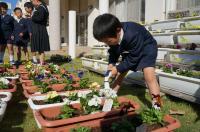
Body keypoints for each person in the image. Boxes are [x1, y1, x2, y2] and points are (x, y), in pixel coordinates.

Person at [93, 14, 161, 109]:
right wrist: (111, 64)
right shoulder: (113, 35)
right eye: (105, 42)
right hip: (131, 49)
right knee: (121, 72)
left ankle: (157, 106)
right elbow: (113, 51)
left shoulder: (133, 33)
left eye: (108, 41)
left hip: (147, 48)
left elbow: (134, 58)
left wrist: (117, 68)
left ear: (118, 31)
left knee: (149, 77)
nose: (107, 44)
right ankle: (111, 96)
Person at [31, 0, 50, 65]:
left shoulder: (41, 8)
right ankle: (41, 62)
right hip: (39, 29)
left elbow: (40, 18)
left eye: (32, 1)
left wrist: (32, 17)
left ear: (36, 0)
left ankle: (41, 63)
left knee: (41, 47)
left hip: (40, 29)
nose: (32, 2)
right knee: (40, 47)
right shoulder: (42, 7)